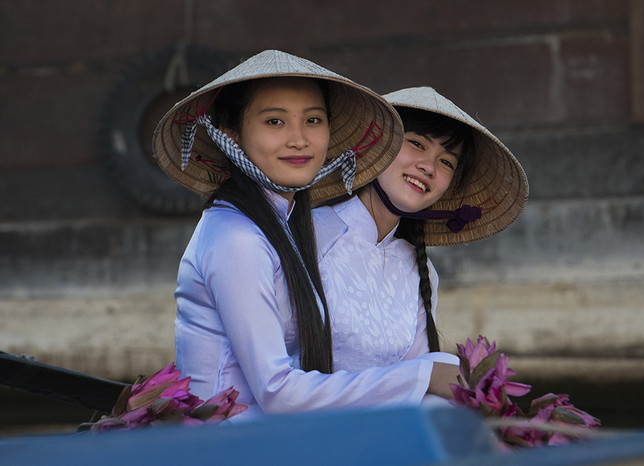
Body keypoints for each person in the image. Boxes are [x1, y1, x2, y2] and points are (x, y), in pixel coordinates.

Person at [153, 51, 463, 420]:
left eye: (312, 120)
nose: (299, 140)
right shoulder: (237, 237)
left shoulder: (281, 226)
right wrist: (424, 374)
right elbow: (276, 392)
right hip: (230, 446)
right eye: (274, 121)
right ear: (231, 134)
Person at [314, 86, 528, 374]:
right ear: (377, 145)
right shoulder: (310, 234)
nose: (429, 167)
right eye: (417, 144)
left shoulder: (419, 269)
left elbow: (418, 371)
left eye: (446, 162)